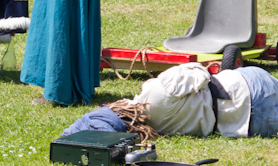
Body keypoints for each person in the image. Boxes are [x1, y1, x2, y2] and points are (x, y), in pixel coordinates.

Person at [108, 61, 278, 138]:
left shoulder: (156, 129)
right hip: (250, 87)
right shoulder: (156, 91)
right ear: (121, 105)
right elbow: (201, 75)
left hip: (256, 125)